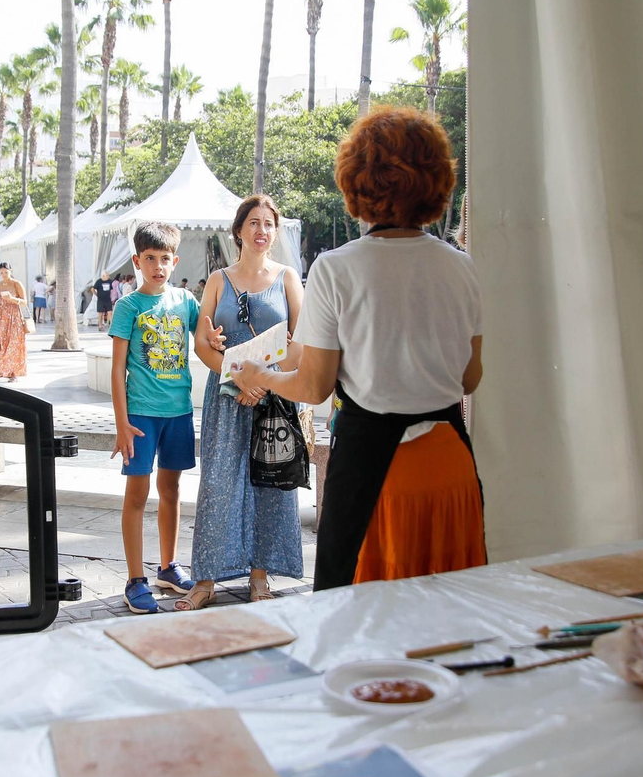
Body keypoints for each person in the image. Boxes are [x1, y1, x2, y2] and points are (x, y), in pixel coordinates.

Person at [234, 106, 486, 588]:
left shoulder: (336, 268)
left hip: (375, 471)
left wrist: (258, 375)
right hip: (450, 461)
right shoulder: (462, 267)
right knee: (452, 609)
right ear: (435, 180)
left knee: (364, 618)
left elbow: (312, 386)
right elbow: (469, 378)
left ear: (358, 181)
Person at [182, 195, 305, 609]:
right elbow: (202, 344)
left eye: (269, 224)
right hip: (228, 399)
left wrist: (266, 384)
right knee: (218, 486)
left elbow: (302, 345)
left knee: (269, 485)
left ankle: (260, 576)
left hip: (273, 401)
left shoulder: (288, 278)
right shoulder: (219, 280)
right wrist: (239, 377)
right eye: (253, 223)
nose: (261, 231)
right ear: (239, 230)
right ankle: (206, 578)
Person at [110, 223, 203, 614]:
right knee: (137, 495)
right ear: (137, 261)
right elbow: (117, 370)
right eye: (150, 258)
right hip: (140, 418)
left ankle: (168, 566)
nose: (158, 266)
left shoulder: (185, 301)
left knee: (172, 490)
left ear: (174, 260)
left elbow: (210, 338)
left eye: (165, 259)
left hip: (179, 413)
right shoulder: (128, 307)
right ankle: (135, 579)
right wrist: (121, 423)